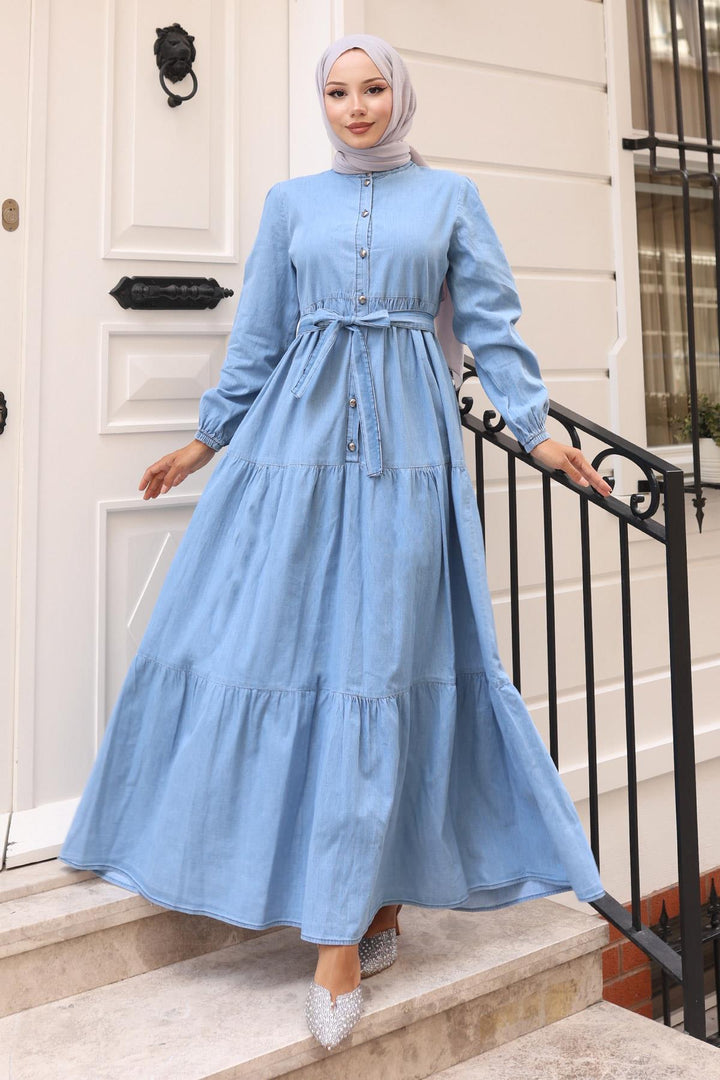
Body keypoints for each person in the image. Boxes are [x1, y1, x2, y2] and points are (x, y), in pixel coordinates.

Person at [58, 32, 612, 1052]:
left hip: (407, 463)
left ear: (399, 97)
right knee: (273, 650)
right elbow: (261, 338)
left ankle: (347, 932)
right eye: (337, 92)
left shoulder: (450, 200)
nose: (355, 108)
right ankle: (336, 908)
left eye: (372, 90)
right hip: (294, 454)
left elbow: (492, 327)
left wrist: (538, 432)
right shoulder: (290, 205)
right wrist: (204, 440)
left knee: (383, 669)